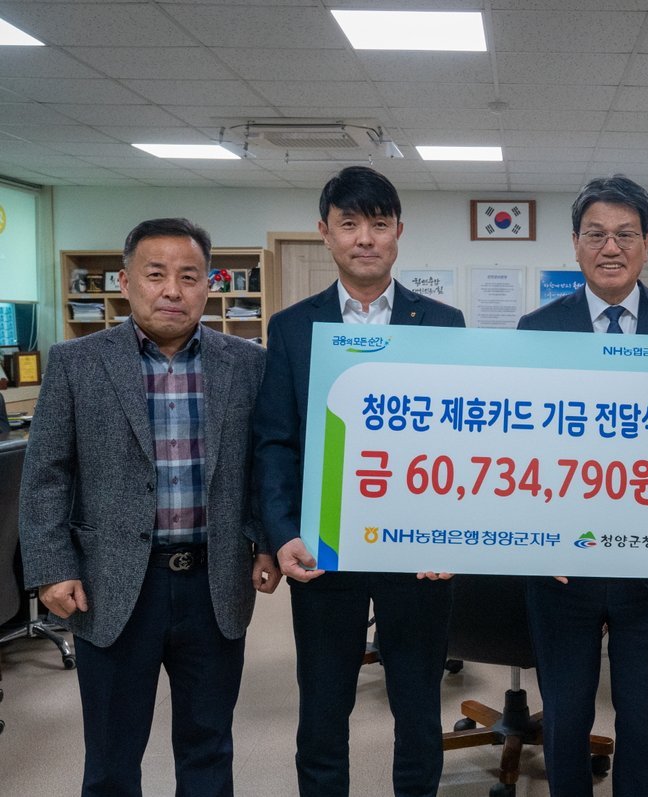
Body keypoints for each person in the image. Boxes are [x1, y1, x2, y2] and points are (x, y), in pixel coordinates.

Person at [19, 217, 280, 797]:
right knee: (112, 755)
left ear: (209, 284)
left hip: (213, 584)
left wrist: (265, 541)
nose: (172, 291)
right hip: (109, 585)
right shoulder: (76, 362)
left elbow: (262, 466)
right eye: (156, 274)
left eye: (189, 276)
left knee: (209, 745)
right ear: (126, 281)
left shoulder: (247, 363)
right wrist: (51, 567)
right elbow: (46, 475)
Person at [252, 166, 465, 797]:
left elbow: (459, 441)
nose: (364, 238)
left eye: (378, 223)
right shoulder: (294, 327)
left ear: (399, 231)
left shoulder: (443, 322)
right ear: (326, 232)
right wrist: (281, 533)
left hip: (417, 552)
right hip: (323, 549)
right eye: (349, 224)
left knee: (418, 709)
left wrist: (452, 535)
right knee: (322, 710)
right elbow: (275, 442)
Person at [516, 175, 648, 796]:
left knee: (643, 714)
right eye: (596, 234)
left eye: (626, 234)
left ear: (647, 243)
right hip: (562, 567)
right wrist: (532, 536)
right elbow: (518, 443)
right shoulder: (537, 328)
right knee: (565, 716)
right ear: (575, 244)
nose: (611, 247)